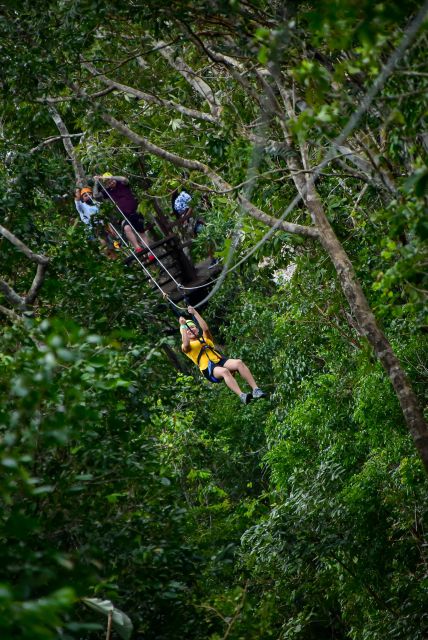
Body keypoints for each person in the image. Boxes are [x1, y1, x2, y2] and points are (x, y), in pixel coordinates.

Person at [179, 306, 267, 405]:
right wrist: (183, 326)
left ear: (196, 329)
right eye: (188, 329)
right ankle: (241, 395)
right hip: (208, 368)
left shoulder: (205, 339)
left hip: (219, 360)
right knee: (224, 371)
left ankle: (256, 390)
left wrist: (195, 313)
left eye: (192, 327)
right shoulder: (187, 347)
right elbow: (185, 343)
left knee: (239, 362)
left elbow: (205, 328)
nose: (190, 330)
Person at [94, 173, 154, 261]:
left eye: (111, 181)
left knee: (141, 233)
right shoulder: (108, 191)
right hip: (125, 215)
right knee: (126, 228)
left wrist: (110, 177)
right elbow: (95, 196)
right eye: (108, 183)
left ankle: (150, 253)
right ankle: (137, 248)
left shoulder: (122, 184)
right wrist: (96, 182)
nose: (111, 183)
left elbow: (124, 179)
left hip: (136, 212)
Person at [171, 187, 218, 269]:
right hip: (195, 223)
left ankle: (214, 258)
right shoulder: (183, 196)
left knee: (207, 240)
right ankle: (215, 258)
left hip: (191, 226)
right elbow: (191, 208)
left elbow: (188, 211)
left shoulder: (176, 204)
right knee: (208, 238)